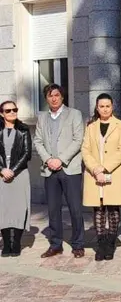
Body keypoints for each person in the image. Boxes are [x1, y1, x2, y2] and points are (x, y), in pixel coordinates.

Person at [33, 83, 86, 258]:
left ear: (62, 97)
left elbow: (78, 140)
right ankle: (56, 244)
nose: (54, 98)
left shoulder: (74, 114)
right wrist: (48, 160)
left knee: (75, 208)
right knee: (53, 209)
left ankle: (78, 244)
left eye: (57, 95)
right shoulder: (41, 117)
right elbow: (38, 141)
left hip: (69, 168)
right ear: (46, 98)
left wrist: (60, 160)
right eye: (50, 95)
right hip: (49, 169)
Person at [81, 93, 121, 261]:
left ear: (112, 107)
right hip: (94, 175)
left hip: (112, 173)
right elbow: (85, 150)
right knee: (99, 209)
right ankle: (101, 245)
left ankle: (110, 244)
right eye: (101, 106)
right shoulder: (91, 127)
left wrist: (105, 168)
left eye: (107, 106)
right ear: (97, 107)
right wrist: (96, 169)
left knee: (113, 209)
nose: (105, 109)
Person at [0, 101, 32, 257]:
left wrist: (12, 170)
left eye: (14, 109)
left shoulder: (24, 129)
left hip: (19, 174)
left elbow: (27, 153)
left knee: (19, 208)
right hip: (1, 175)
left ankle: (17, 243)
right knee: (3, 209)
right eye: (8, 110)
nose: (12, 112)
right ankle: (7, 244)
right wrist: (2, 170)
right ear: (2, 113)